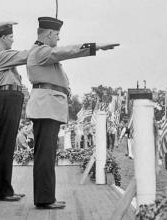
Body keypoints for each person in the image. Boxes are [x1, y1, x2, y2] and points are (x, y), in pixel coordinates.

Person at [26, 16, 119, 209]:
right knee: (45, 155)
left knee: (47, 154)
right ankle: (44, 199)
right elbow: (66, 51)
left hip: (48, 107)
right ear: (49, 33)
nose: (58, 39)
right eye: (57, 34)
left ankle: (46, 196)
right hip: (46, 108)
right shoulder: (41, 51)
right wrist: (96, 46)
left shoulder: (41, 52)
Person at [0, 23, 27, 202]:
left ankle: (5, 188)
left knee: (6, 146)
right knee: (4, 147)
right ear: (2, 38)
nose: (13, 40)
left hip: (8, 98)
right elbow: (24, 55)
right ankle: (3, 191)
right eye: (10, 37)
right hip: (6, 98)